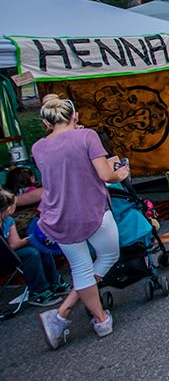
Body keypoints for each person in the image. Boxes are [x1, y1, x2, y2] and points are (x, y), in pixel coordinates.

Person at [32, 95, 129, 350]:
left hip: (57, 215)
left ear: (45, 121)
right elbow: (106, 174)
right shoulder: (87, 137)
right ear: (75, 116)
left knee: (80, 268)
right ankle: (66, 313)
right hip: (91, 210)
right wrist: (121, 173)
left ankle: (94, 319)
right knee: (108, 255)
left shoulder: (38, 147)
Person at [1, 189, 68, 306]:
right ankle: (38, 291)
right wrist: (31, 239)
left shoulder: (9, 220)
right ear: (8, 208)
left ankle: (54, 282)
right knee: (30, 253)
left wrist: (34, 238)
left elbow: (15, 243)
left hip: (10, 253)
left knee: (40, 246)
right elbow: (10, 247)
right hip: (4, 257)